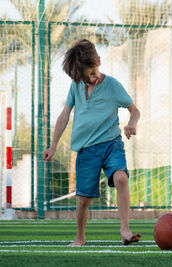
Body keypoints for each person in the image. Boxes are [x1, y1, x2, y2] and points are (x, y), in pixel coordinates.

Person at [42, 39, 141, 246]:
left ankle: (125, 229)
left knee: (121, 178)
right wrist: (53, 145)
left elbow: (135, 110)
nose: (92, 80)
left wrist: (132, 123)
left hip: (111, 143)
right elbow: (64, 116)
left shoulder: (112, 85)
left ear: (99, 61)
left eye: (93, 74)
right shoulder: (76, 85)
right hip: (86, 150)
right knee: (83, 200)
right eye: (87, 79)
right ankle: (80, 237)